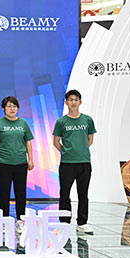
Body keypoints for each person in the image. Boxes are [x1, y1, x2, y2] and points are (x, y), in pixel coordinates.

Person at [53, 89, 97, 236]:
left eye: (76, 100)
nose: (73, 102)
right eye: (70, 100)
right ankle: (64, 222)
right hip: (67, 163)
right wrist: (67, 152)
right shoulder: (61, 122)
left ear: (80, 102)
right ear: (66, 102)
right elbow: (56, 141)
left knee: (83, 193)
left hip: (84, 162)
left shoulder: (87, 120)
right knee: (65, 193)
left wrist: (80, 149)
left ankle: (82, 223)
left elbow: (90, 139)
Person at [0, 96, 34, 230]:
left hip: (21, 163)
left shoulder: (23, 123)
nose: (12, 109)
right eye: (9, 106)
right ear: (4, 108)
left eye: (14, 106)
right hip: (4, 163)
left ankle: (20, 220)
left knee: (21, 193)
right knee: (4, 193)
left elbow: (28, 142)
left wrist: (31, 159)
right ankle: (4, 221)